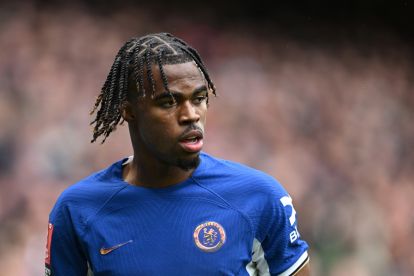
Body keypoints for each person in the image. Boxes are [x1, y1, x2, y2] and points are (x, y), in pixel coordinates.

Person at [45, 32, 310, 276]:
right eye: (169, 102)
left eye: (199, 98)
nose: (191, 115)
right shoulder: (77, 210)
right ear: (129, 110)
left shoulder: (260, 197)